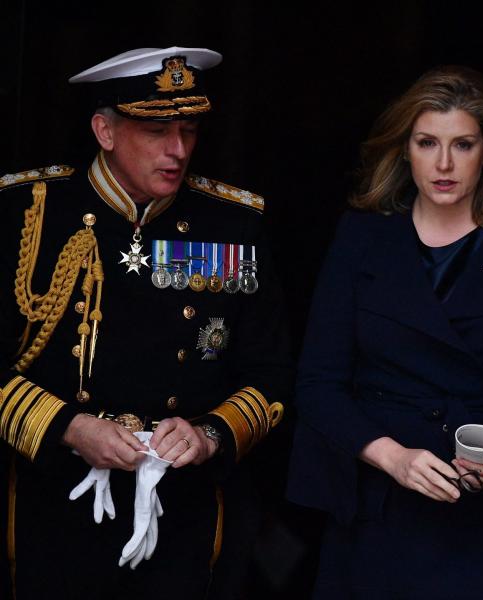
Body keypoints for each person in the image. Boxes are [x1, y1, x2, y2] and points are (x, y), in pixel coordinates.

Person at [286, 66, 483, 599]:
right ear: (405, 149)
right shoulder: (361, 237)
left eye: (463, 144)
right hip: (379, 518)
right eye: (428, 142)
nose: (445, 164)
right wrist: (393, 458)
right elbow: (318, 384)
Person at [0, 47, 292, 599]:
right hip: (53, 507)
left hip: (185, 514)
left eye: (188, 130)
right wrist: (69, 426)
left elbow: (273, 372)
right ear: (104, 131)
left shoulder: (233, 223)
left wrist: (209, 434)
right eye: (157, 131)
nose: (178, 150)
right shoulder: (26, 212)